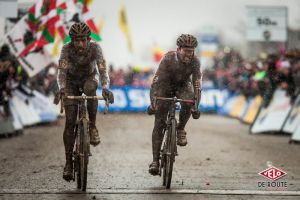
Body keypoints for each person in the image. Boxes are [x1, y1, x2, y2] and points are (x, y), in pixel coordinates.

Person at [56, 22, 114, 181]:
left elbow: (103, 70)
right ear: (72, 40)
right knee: (69, 121)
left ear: (88, 39)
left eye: (83, 40)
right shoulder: (66, 49)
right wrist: (61, 88)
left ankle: (93, 126)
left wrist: (106, 87)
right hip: (70, 81)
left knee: (90, 89)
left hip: (89, 77)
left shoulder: (95, 48)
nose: (80, 44)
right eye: (77, 40)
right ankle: (68, 163)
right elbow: (61, 72)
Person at [147, 34, 202, 175]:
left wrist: (196, 105)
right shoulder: (168, 58)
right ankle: (155, 161)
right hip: (165, 85)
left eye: (191, 51)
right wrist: (153, 102)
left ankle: (180, 129)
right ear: (178, 49)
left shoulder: (195, 61)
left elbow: (197, 84)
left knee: (189, 100)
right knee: (159, 123)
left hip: (183, 85)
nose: (189, 54)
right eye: (186, 51)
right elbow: (156, 81)